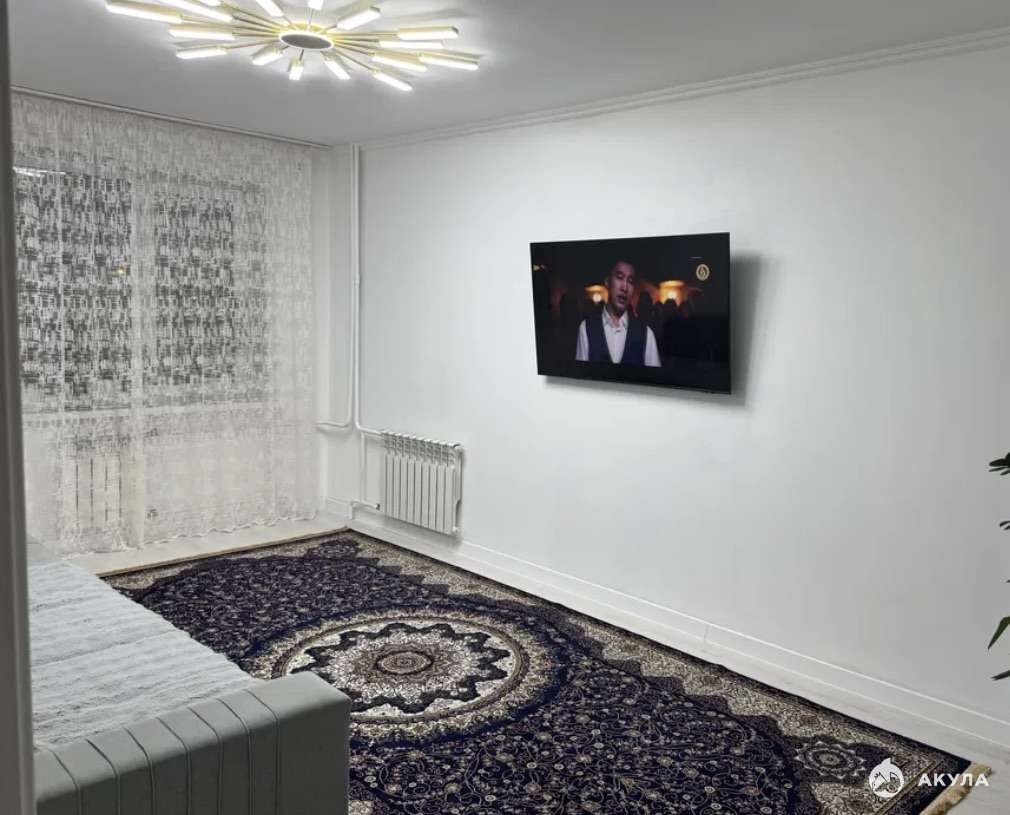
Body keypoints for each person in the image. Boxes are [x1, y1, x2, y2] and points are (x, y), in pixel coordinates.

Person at [575, 260, 661, 366]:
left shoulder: (646, 334)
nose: (624, 288)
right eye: (620, 277)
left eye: (630, 281)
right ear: (607, 282)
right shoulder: (586, 328)